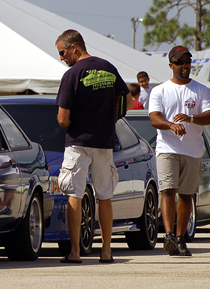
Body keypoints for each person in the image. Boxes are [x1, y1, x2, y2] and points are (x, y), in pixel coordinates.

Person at [55, 29, 129, 264]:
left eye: (62, 52)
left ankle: (75, 252)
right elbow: (123, 98)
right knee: (104, 196)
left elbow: (62, 119)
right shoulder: (108, 67)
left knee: (74, 194)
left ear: (73, 47)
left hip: (78, 142)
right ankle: (106, 251)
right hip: (104, 142)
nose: (61, 58)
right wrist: (110, 116)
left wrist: (75, 123)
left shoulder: (72, 75)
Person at [149, 45, 210, 256]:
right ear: (171, 65)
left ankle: (180, 238)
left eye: (187, 62)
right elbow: (154, 118)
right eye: (180, 62)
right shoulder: (160, 90)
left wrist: (191, 118)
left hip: (192, 150)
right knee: (168, 190)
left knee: (186, 195)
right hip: (167, 148)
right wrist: (170, 125)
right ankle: (168, 236)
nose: (185, 65)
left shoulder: (200, 89)